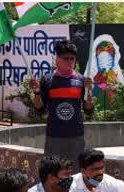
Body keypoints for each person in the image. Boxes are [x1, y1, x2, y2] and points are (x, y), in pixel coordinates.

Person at [30, 39, 94, 172]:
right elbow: (39, 110)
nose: (70, 62)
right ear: (57, 59)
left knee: (75, 174)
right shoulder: (47, 80)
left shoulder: (81, 80)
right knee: (52, 174)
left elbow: (88, 110)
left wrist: (89, 91)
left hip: (76, 137)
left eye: (72, 59)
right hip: (54, 137)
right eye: (66, 58)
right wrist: (36, 93)